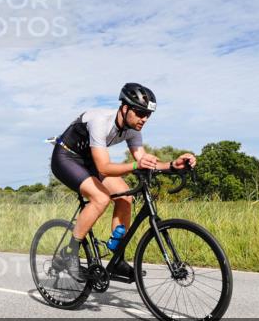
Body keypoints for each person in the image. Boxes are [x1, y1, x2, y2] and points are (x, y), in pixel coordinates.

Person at [49, 83, 196, 281]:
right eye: (140, 113)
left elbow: (144, 160)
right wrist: (136, 165)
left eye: (148, 115)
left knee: (126, 196)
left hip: (88, 161)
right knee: (100, 198)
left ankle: (117, 260)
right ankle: (69, 253)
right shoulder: (100, 121)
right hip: (66, 157)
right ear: (124, 108)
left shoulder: (133, 130)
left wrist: (173, 165)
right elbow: (104, 167)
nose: (144, 119)